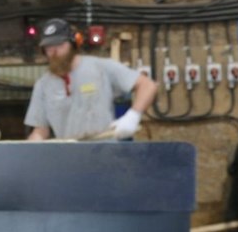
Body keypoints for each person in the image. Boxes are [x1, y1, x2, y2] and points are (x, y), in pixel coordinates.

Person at [25, 18, 158, 141]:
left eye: (60, 45)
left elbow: (147, 85)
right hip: (68, 154)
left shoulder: (101, 68)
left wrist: (133, 116)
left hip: (103, 152)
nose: (54, 52)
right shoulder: (43, 85)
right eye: (49, 48)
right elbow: (40, 131)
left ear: (73, 44)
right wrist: (28, 151)